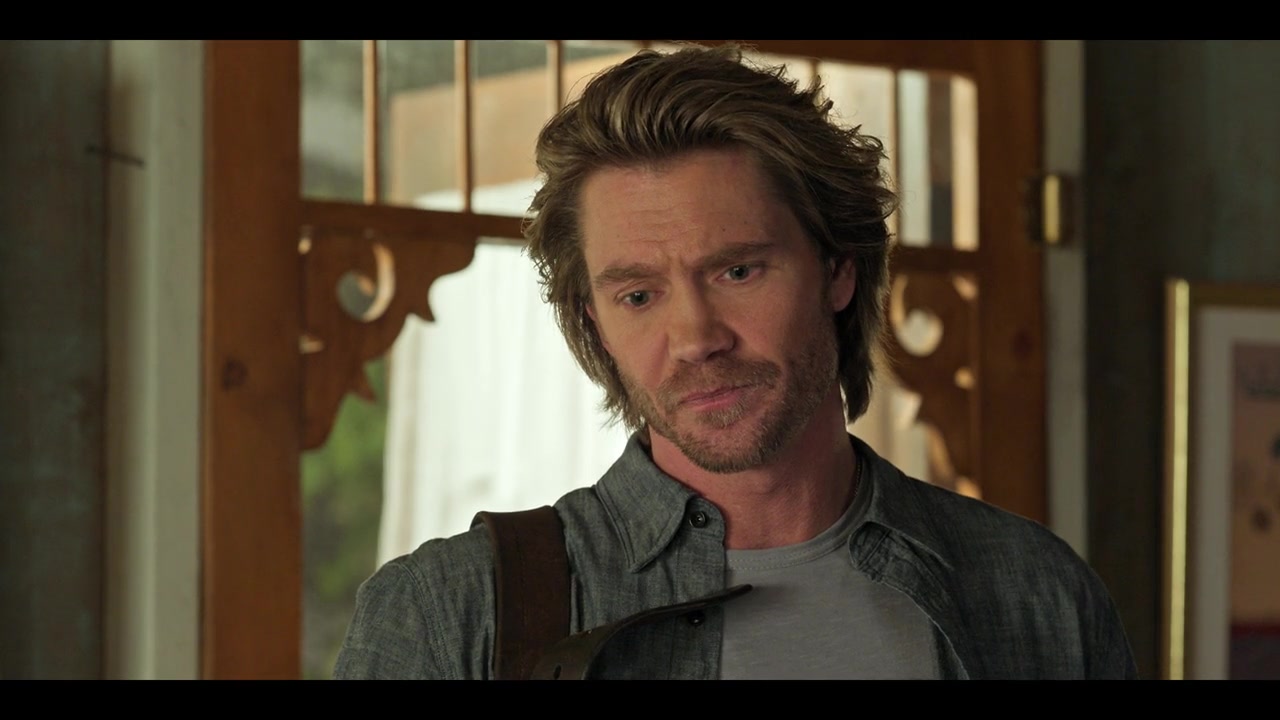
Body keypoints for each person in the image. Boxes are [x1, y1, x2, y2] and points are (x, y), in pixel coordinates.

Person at [333, 42, 1137, 680]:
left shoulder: (1033, 591)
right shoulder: (451, 612)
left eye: (738, 271)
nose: (696, 338)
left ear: (838, 270)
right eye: (638, 295)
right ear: (595, 324)